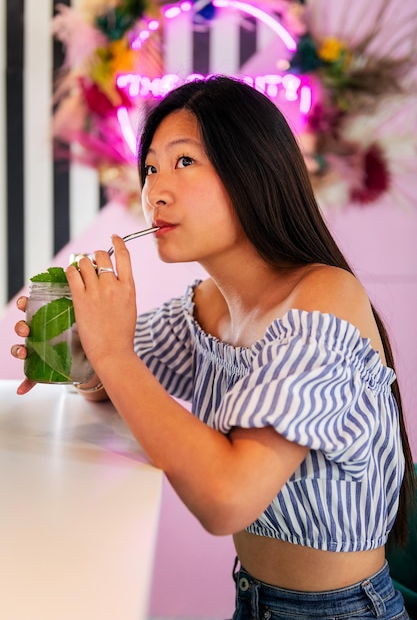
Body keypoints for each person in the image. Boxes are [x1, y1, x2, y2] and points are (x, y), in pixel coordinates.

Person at [12, 75, 416, 619]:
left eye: (184, 162)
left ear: (253, 171)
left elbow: (228, 499)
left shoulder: (326, 296)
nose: (156, 189)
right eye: (151, 167)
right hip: (251, 600)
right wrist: (81, 353)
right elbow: (114, 387)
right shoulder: (205, 307)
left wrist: (112, 354)